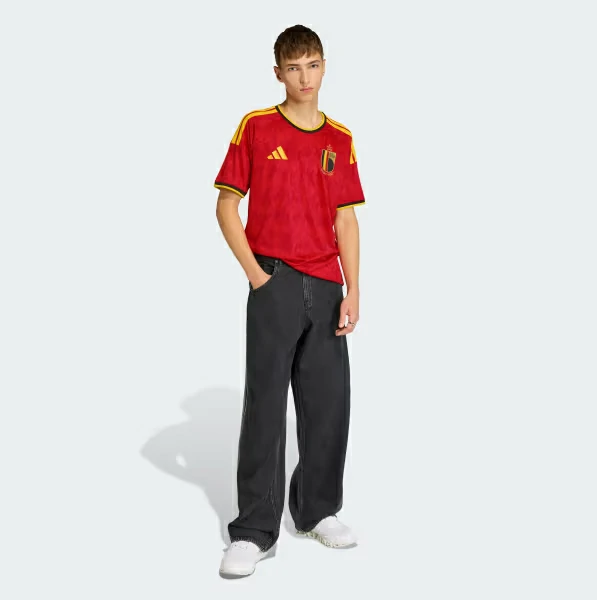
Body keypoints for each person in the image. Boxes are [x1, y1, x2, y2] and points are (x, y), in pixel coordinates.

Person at [214, 24, 366, 577]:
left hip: (326, 286)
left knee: (328, 405)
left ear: (324, 67)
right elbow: (226, 206)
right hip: (274, 279)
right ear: (278, 73)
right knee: (265, 408)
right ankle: (254, 531)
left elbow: (345, 220)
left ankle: (317, 510)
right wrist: (257, 276)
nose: (305, 77)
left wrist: (353, 289)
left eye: (313, 65)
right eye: (294, 68)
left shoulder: (340, 139)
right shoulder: (256, 127)